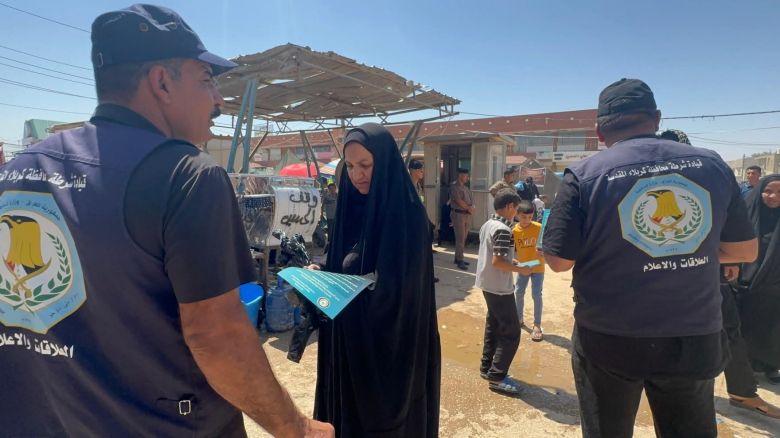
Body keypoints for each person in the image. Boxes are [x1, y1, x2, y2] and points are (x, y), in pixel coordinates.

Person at [0, 5, 333, 437]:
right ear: (161, 83)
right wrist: (297, 428)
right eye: (207, 80)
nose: (219, 100)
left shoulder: (17, 172)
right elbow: (217, 337)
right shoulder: (186, 176)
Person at [543, 78, 757, 437]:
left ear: (599, 132)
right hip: (693, 335)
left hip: (610, 337)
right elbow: (744, 251)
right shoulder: (712, 165)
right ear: (656, 118)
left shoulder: (585, 175)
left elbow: (558, 261)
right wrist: (684, 249)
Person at [312, 123, 441, 437]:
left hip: (389, 358)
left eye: (365, 165)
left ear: (383, 162)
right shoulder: (350, 207)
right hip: (347, 349)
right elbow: (341, 261)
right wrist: (318, 274)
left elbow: (401, 296)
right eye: (350, 166)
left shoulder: (407, 216)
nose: (356, 175)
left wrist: (348, 292)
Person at [661, 130, 780, 418]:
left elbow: (725, 223)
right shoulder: (648, 186)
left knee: (728, 327)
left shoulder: (704, 181)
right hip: (662, 275)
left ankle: (742, 390)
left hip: (707, 271)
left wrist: (731, 259)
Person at [476, 189, 531, 396]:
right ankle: (497, 377)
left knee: (494, 325)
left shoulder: (488, 224)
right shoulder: (503, 229)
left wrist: (512, 262)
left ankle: (487, 367)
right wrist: (521, 270)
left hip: (487, 283)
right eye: (516, 209)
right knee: (511, 332)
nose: (517, 213)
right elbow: (497, 261)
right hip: (499, 287)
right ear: (509, 207)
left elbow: (496, 254)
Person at [736, 175, 780, 385]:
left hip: (775, 285)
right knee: (747, 327)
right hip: (747, 284)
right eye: (768, 191)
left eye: (779, 192)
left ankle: (771, 365)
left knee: (773, 327)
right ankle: (747, 366)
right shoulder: (745, 215)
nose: (773, 196)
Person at [512, 201, 545, 342]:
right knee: (519, 292)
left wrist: (545, 251)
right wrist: (514, 261)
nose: (527, 220)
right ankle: (519, 319)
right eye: (524, 217)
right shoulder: (514, 230)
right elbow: (512, 250)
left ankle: (537, 325)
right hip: (522, 267)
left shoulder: (539, 227)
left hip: (538, 267)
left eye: (530, 217)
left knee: (536, 294)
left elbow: (549, 243)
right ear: (517, 215)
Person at [409, 159, 439, 283]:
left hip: (420, 220)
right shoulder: (407, 186)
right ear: (412, 171)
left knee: (425, 250)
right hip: (412, 224)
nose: (422, 171)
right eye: (419, 169)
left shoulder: (418, 186)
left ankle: (426, 275)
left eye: (422, 169)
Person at [449, 167, 475, 270]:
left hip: (466, 215)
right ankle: (460, 260)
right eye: (466, 176)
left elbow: (471, 201)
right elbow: (458, 201)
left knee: (463, 238)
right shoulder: (454, 187)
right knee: (460, 237)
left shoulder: (466, 188)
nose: (467, 178)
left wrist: (472, 208)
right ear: (460, 175)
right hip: (458, 215)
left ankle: (458, 257)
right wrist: (469, 208)